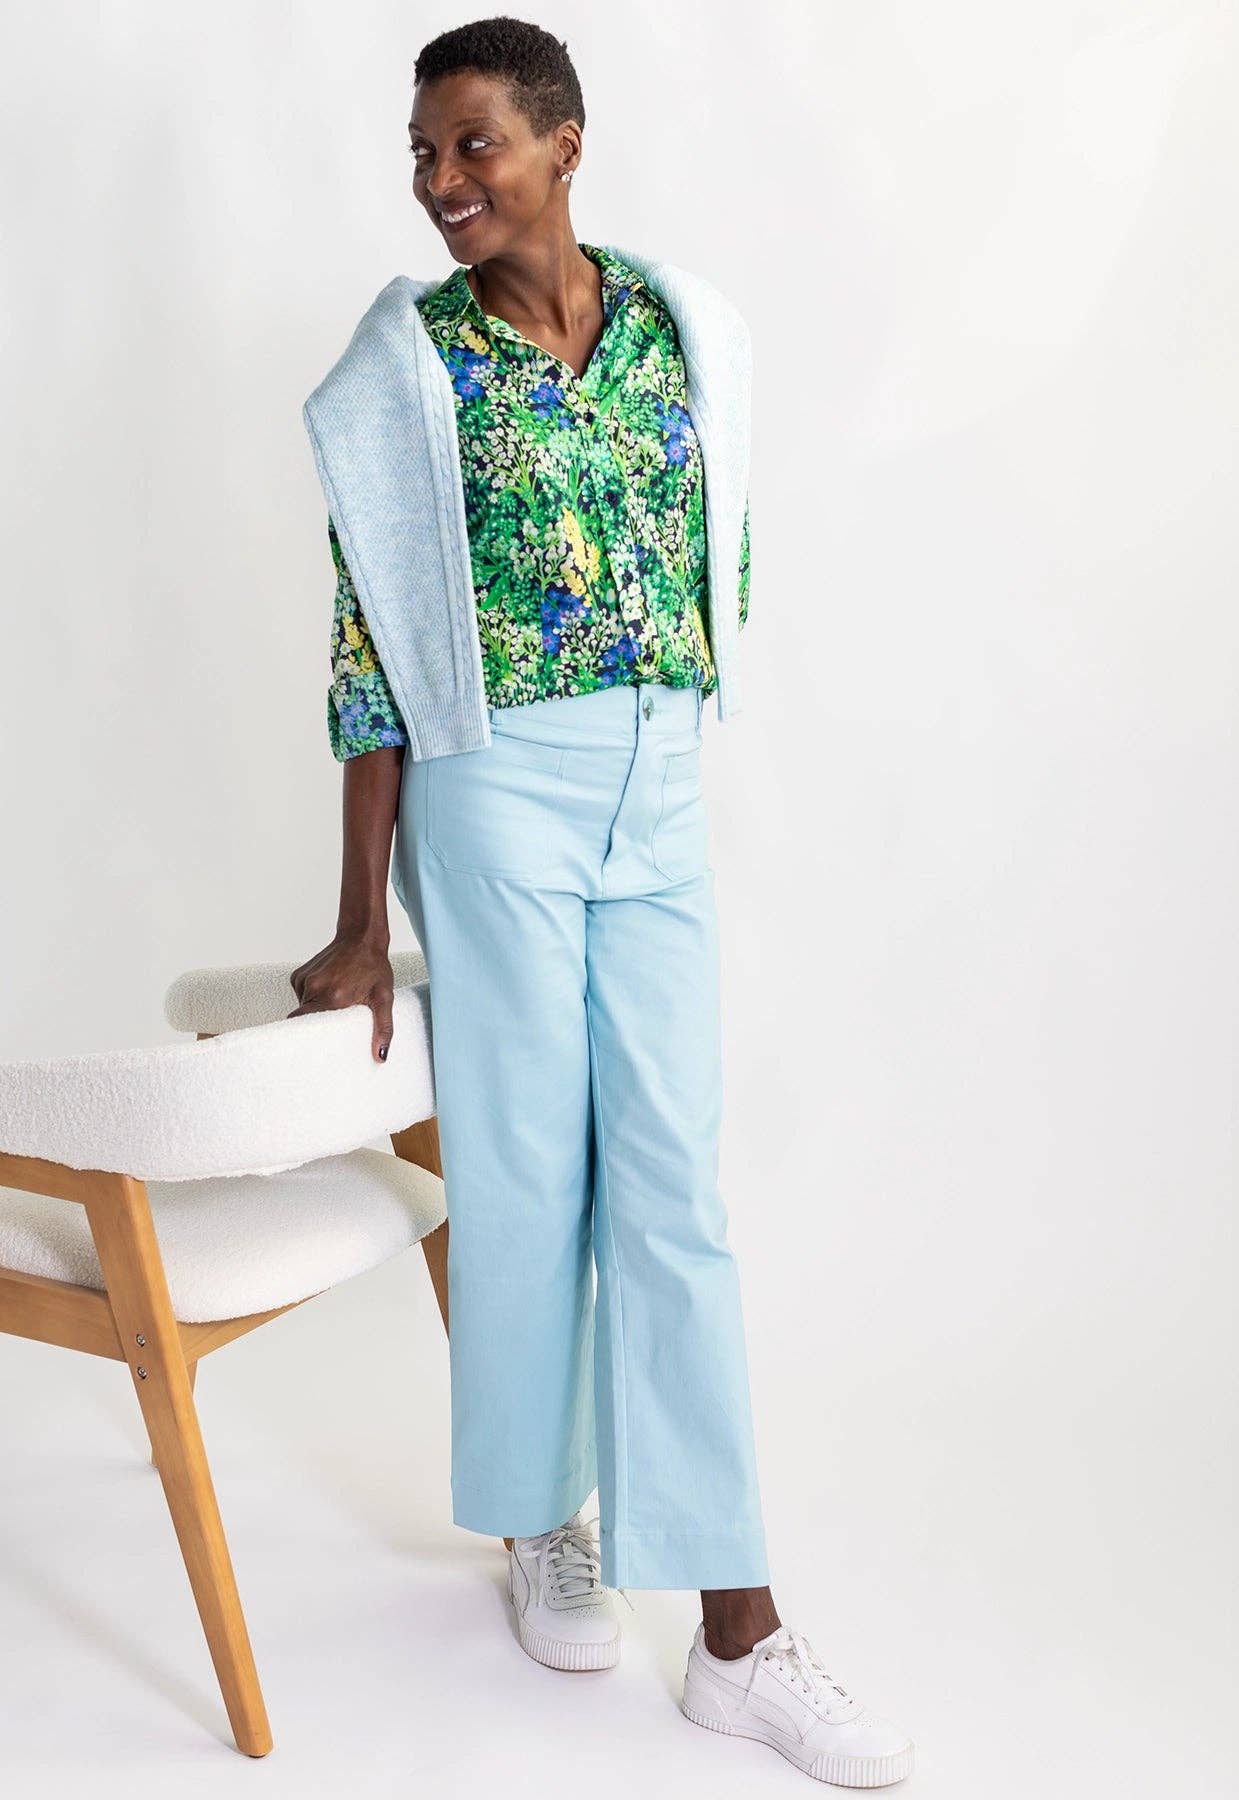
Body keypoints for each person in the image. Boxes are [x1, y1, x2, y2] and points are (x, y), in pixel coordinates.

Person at [289, 17, 914, 1788]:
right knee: (522, 1169)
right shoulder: (405, 371)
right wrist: (359, 917)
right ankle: (539, 1520)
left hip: (660, 778)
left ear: (564, 143)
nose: (441, 182)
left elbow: (716, 554)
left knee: (672, 1194)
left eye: (473, 144)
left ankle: (737, 1637)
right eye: (423, 153)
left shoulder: (673, 326)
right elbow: (370, 648)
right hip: (496, 781)